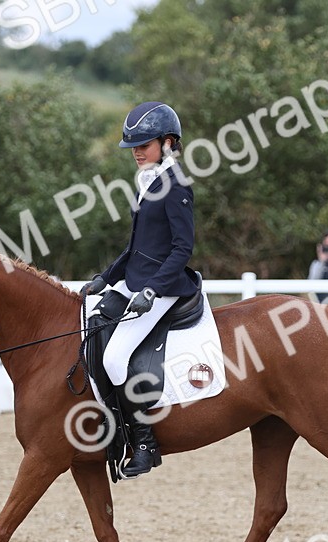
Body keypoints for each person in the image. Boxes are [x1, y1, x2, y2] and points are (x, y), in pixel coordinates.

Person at [79, 101, 198, 479]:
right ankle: (111, 427)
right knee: (92, 325)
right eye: (133, 146)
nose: (136, 152)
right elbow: (136, 248)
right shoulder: (149, 181)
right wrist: (106, 277)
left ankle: (145, 442)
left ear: (167, 143)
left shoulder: (176, 185)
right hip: (134, 282)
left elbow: (182, 248)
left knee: (115, 358)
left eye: (144, 144)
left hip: (163, 288)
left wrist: (151, 291)